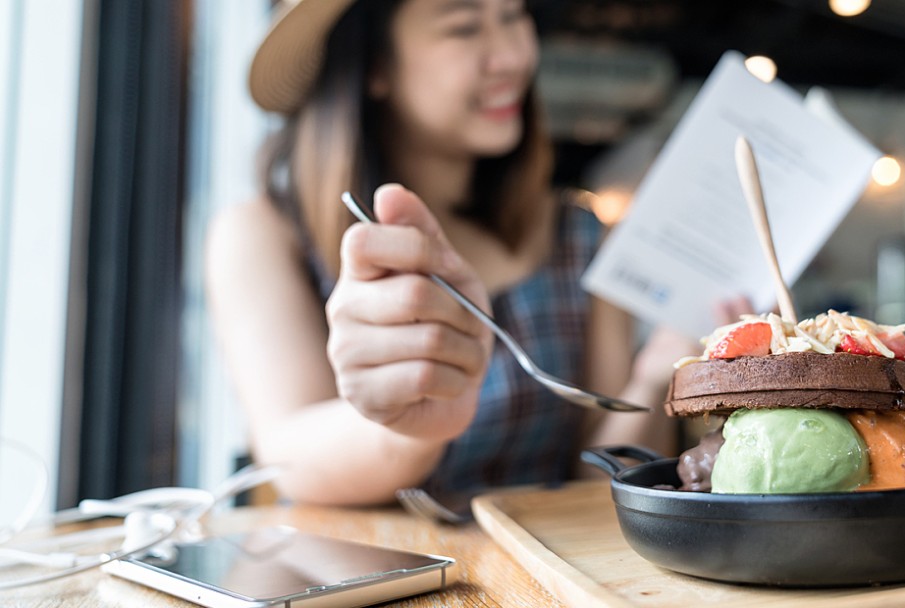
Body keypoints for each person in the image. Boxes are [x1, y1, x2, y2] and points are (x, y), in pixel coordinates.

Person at [205, 0, 719, 512]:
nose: (514, 56)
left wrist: (656, 375)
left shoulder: (579, 237)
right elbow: (289, 457)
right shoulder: (265, 235)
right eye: (464, 27)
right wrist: (412, 425)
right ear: (374, 66)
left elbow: (591, 476)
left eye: (515, 16)